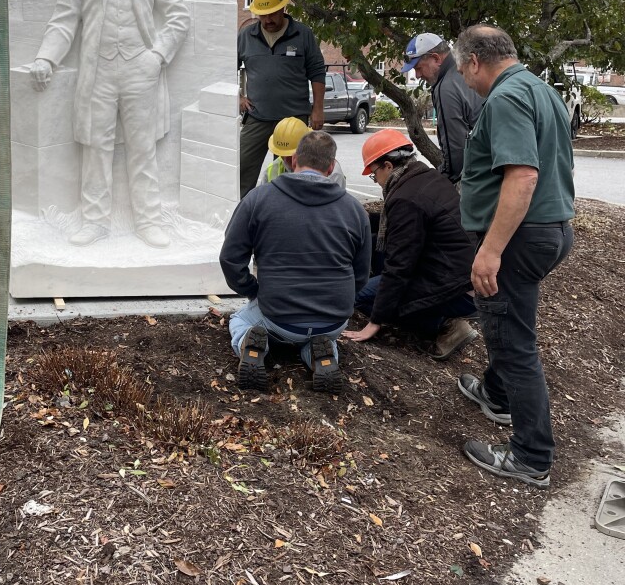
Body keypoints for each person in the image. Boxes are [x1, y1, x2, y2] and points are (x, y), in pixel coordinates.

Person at [30, 0, 190, 247]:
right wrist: (46, 57)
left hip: (141, 69)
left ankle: (149, 220)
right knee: (95, 148)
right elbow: (64, 18)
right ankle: (95, 221)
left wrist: (157, 55)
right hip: (98, 71)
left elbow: (178, 15)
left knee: (142, 147)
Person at [454, 24, 575, 488]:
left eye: (464, 69)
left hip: (520, 238)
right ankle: (496, 394)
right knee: (512, 322)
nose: (465, 80)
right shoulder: (540, 88)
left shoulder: (504, 99)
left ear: (474, 62)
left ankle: (531, 456)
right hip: (550, 230)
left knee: (513, 342)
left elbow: (522, 177)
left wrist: (490, 250)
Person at [219, 130, 371, 392]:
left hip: (278, 316)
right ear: (331, 166)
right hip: (334, 319)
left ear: (292, 160)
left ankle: (251, 345)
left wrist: (251, 290)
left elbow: (230, 258)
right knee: (322, 338)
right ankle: (323, 355)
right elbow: (361, 274)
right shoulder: (354, 210)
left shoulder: (258, 199)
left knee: (240, 320)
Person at [341, 130, 479, 359]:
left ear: (387, 165)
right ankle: (439, 314)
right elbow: (398, 231)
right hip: (459, 272)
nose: (376, 181)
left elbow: (399, 267)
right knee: (376, 246)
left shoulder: (405, 199)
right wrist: (362, 219)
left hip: (455, 289)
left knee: (359, 297)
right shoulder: (424, 177)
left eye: (374, 175)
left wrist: (374, 322)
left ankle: (443, 323)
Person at [237, 0, 327, 198]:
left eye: (272, 14)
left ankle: (285, 215)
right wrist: (238, 96)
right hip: (257, 117)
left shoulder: (303, 34)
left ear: (283, 8)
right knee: (240, 171)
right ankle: (240, 215)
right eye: (262, 15)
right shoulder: (246, 36)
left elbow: (316, 72)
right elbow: (224, 68)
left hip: (294, 120)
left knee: (291, 174)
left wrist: (318, 109)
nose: (267, 20)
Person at [402, 33, 483, 184]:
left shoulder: (445, 87)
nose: (417, 75)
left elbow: (455, 149)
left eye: (419, 68)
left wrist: (443, 179)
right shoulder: (468, 68)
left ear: (436, 58)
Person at [262, 116, 346, 188]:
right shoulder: (272, 170)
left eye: (290, 156)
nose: (287, 160)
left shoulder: (334, 172)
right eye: (282, 155)